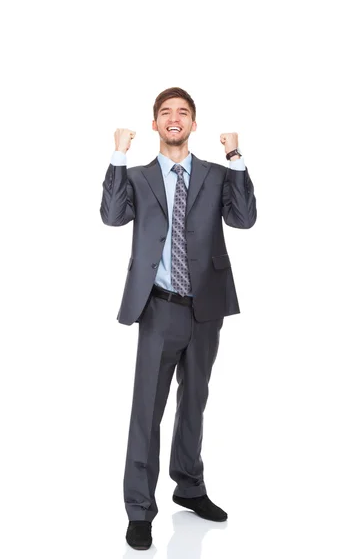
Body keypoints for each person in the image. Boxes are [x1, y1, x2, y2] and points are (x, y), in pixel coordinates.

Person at [100, 87, 257, 550]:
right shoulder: (139, 176)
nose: (174, 118)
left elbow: (245, 219)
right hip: (159, 307)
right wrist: (118, 154)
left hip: (207, 309)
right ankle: (139, 510)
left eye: (183, 112)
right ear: (155, 124)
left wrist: (236, 154)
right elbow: (111, 216)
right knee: (146, 410)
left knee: (194, 405)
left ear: (193, 124)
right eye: (166, 112)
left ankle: (189, 486)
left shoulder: (215, 173)